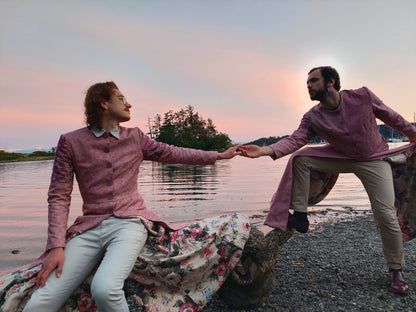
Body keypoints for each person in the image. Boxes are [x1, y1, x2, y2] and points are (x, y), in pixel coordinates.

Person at [23, 81, 241, 312]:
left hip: (130, 223)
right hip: (89, 228)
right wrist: (55, 246)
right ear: (103, 103)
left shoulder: (136, 137)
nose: (128, 104)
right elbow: (59, 195)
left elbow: (173, 152)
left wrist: (219, 156)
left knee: (105, 288)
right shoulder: (70, 142)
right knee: (42, 300)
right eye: (120, 98)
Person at [238, 66, 416, 295]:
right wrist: (263, 150)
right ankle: (300, 216)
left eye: (313, 81)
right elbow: (294, 140)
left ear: (330, 81)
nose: (309, 86)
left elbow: (391, 116)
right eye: (307, 83)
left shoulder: (362, 96)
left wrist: (412, 134)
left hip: (374, 159)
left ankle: (396, 270)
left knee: (385, 213)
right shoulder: (312, 117)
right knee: (300, 158)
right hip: (340, 157)